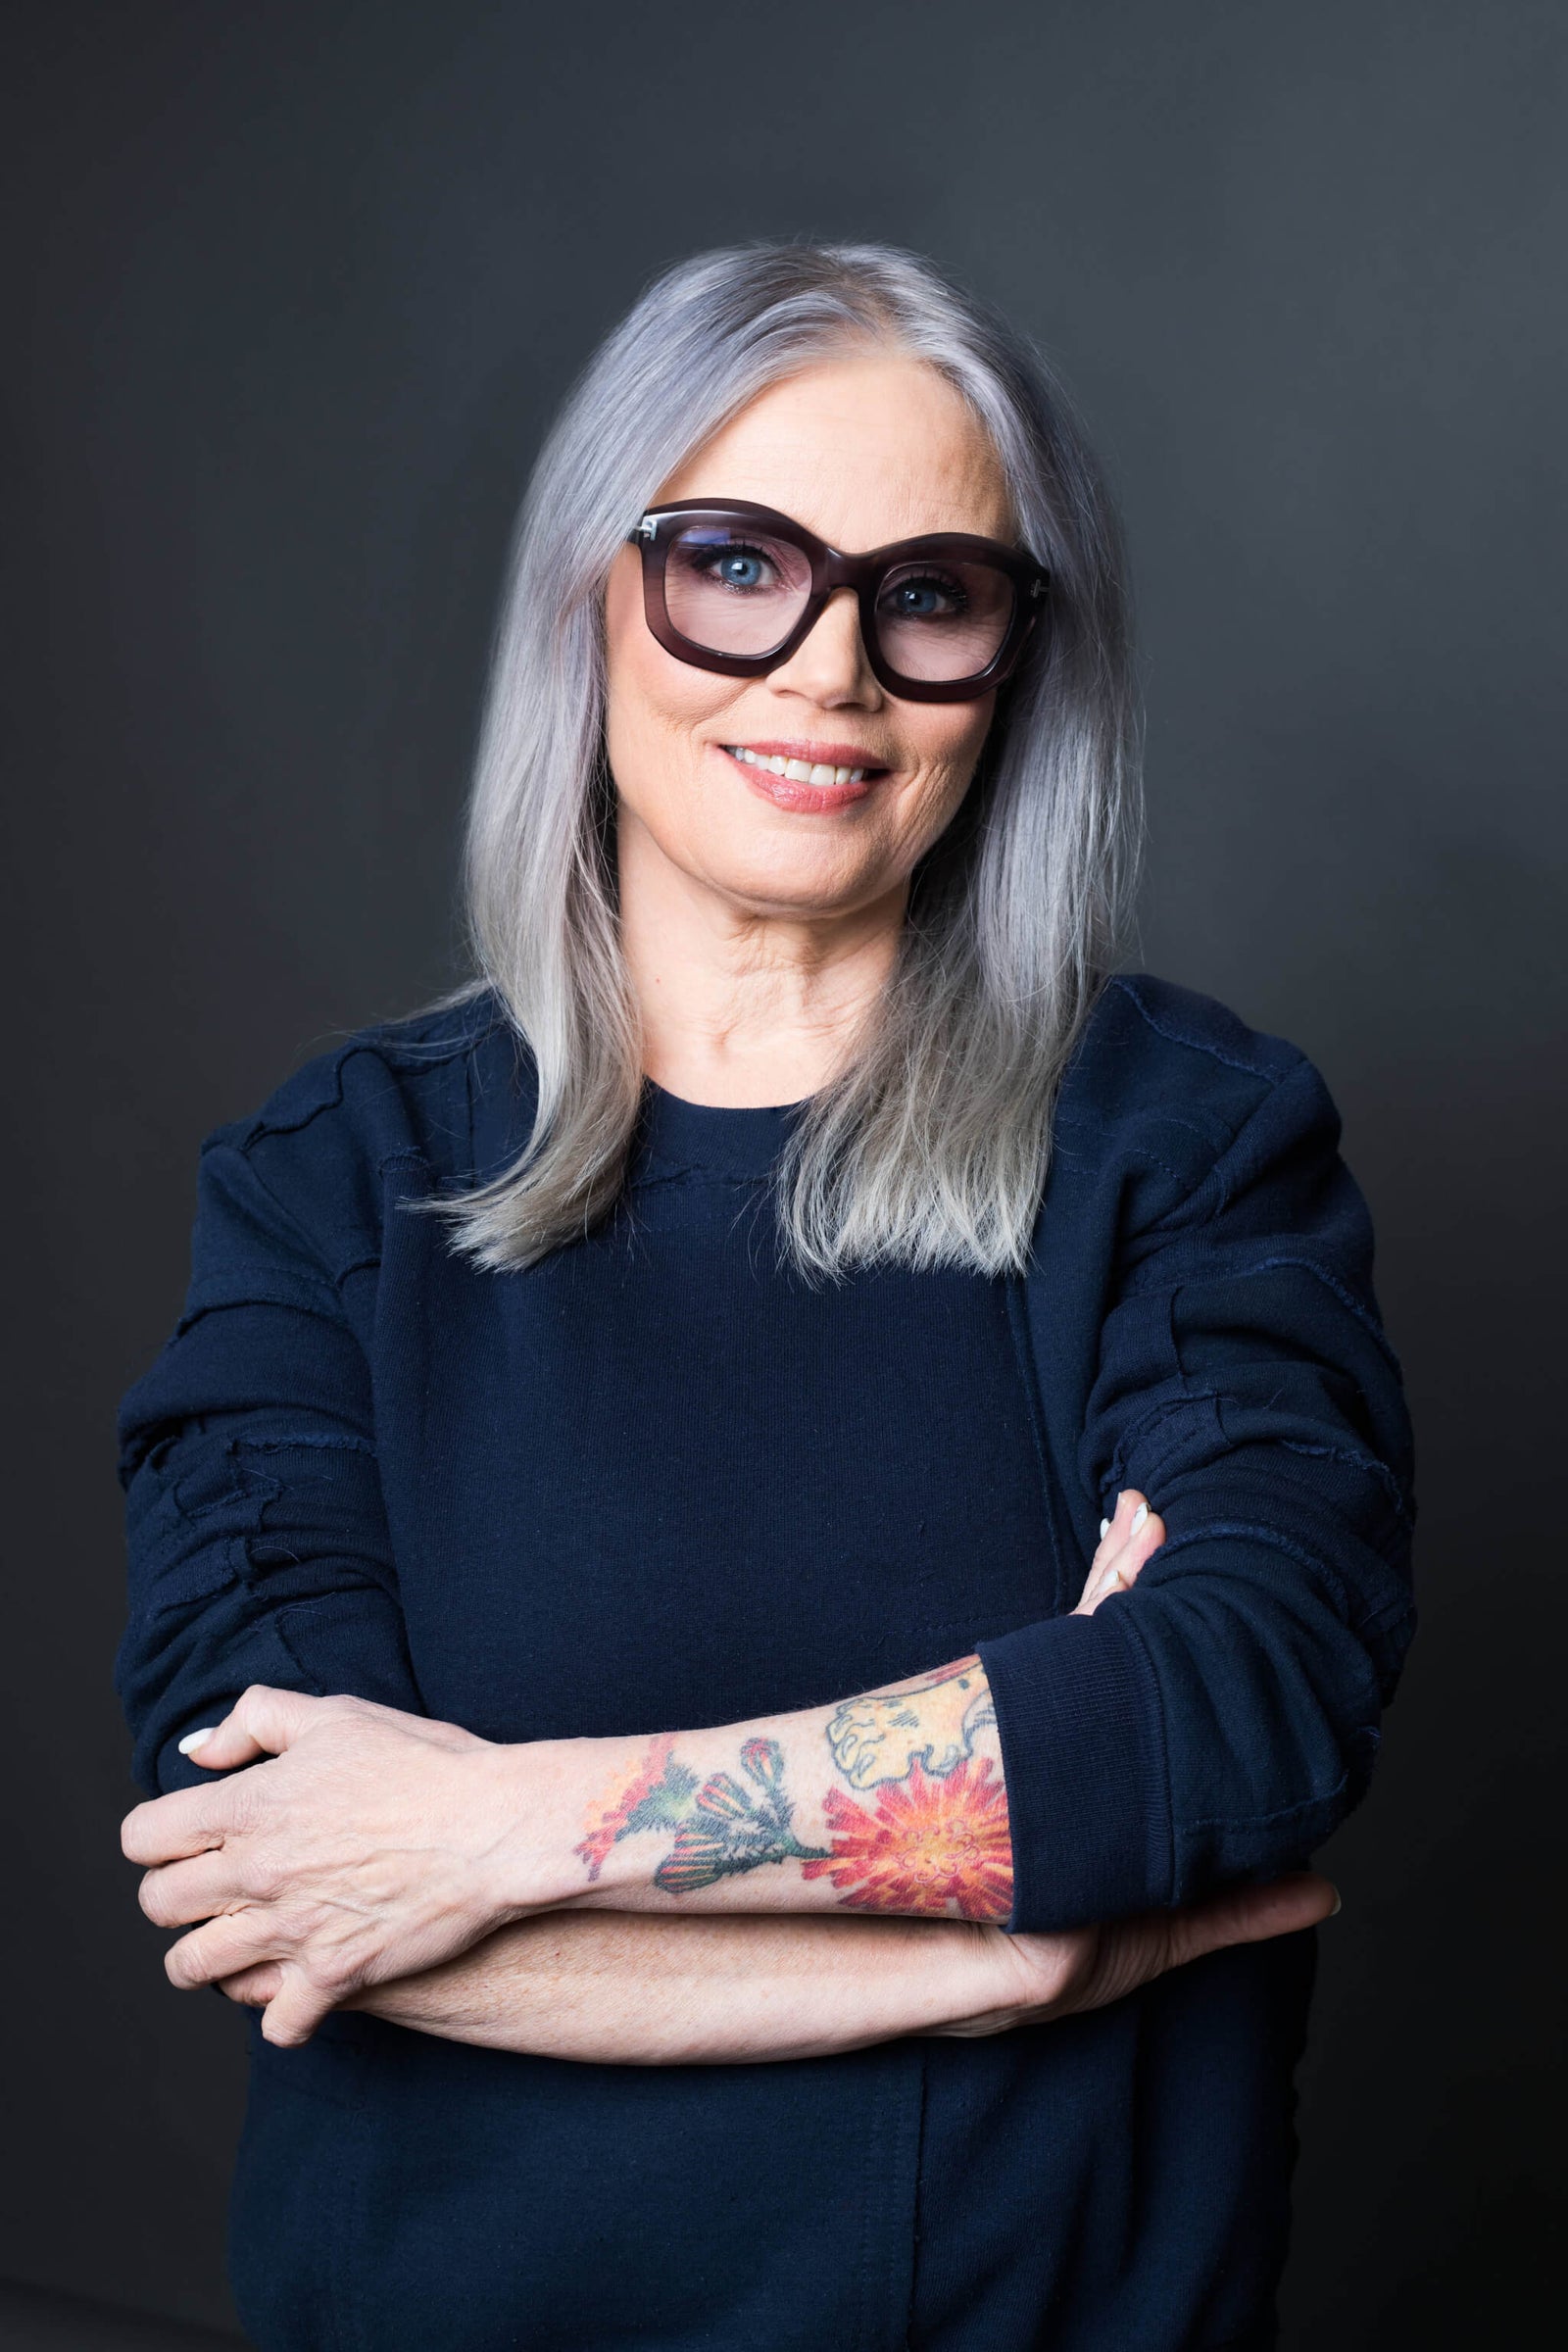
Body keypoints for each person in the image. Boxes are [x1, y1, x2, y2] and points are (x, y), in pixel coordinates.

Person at [116, 241, 1415, 2352]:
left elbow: (1235, 1698)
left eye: (925, 592)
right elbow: (280, 1878)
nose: (826, 672)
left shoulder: (1181, 1143)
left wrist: (499, 1821)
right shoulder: (328, 1186)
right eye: (734, 562)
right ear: (587, 596)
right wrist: (1003, 1946)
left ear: (1011, 662)